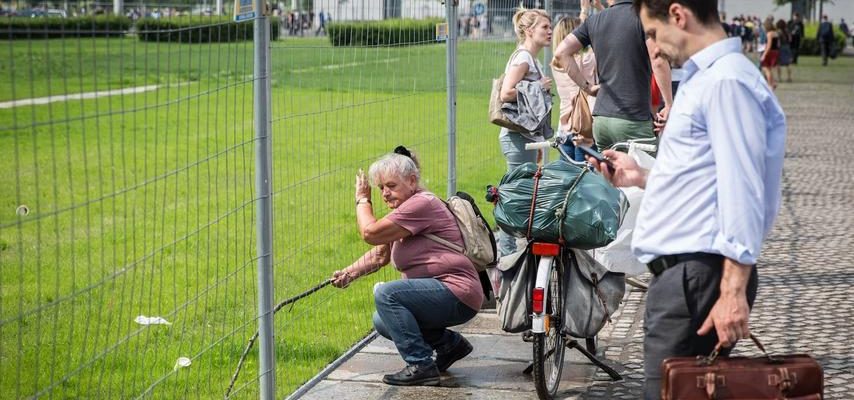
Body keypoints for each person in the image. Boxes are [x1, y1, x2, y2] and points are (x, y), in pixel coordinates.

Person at [588, 1, 786, 398]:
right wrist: (639, 176)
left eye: (652, 33)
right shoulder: (710, 79)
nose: (653, 46)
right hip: (688, 276)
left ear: (679, 15)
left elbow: (743, 190)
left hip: (697, 277)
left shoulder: (725, 83)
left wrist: (732, 292)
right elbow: (704, 178)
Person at [331, 147, 482, 386]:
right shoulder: (405, 211)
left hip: (457, 292)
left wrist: (362, 199)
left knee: (386, 294)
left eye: (391, 185)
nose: (385, 193)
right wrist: (349, 273)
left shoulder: (422, 204)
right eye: (381, 188)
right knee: (382, 319)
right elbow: (380, 255)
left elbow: (369, 233)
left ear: (412, 181)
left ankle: (421, 364)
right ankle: (449, 345)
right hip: (444, 293)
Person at [553, 0, 672, 152]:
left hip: (601, 120)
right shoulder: (644, 17)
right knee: (644, 174)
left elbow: (561, 52)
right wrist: (669, 104)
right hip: (633, 118)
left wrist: (587, 88)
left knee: (608, 174)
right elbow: (658, 60)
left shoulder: (594, 20)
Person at [496, 7, 553, 257]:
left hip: (525, 137)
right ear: (529, 31)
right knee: (516, 194)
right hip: (517, 137)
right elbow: (506, 93)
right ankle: (506, 254)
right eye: (544, 27)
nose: (550, 31)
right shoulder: (523, 58)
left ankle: (513, 250)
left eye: (550, 27)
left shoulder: (532, 58)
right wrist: (537, 86)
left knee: (523, 192)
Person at [549, 0, 602, 162]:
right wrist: (598, 9)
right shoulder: (584, 61)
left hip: (564, 129)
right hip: (584, 130)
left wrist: (584, 11)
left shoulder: (555, 64)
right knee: (584, 178)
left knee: (567, 178)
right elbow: (598, 37)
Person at [759, 19, 779, 89]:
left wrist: (764, 54)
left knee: (766, 68)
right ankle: (773, 83)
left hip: (770, 52)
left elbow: (769, 45)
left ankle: (770, 85)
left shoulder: (769, 34)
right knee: (769, 69)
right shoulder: (775, 33)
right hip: (775, 51)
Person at [775, 19, 793, 83]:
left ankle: (779, 78)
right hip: (787, 47)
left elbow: (778, 42)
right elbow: (790, 39)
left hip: (781, 48)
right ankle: (789, 78)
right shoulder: (787, 31)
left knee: (778, 63)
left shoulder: (778, 32)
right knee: (788, 63)